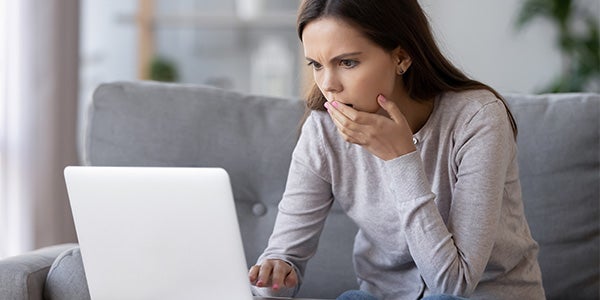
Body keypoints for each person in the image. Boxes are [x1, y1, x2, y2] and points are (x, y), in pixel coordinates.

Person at [248, 0, 546, 299]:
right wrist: (275, 276)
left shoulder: (477, 118)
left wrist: (401, 159)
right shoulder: (323, 130)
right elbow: (285, 257)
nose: (328, 84)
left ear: (401, 58)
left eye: (347, 62)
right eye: (316, 64)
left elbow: (453, 286)